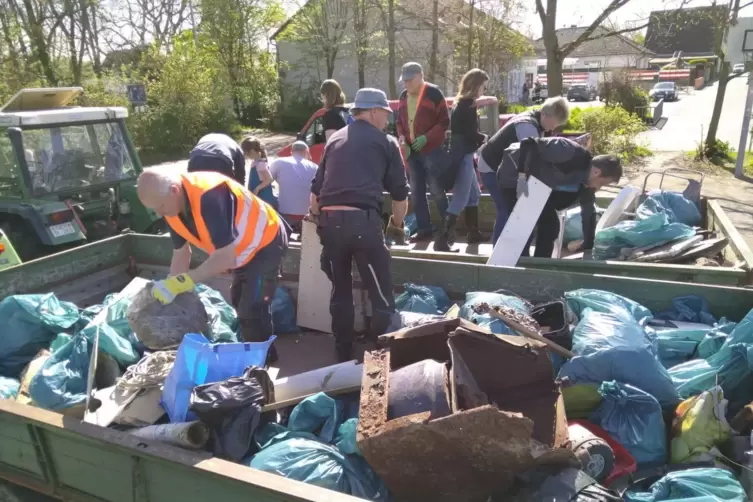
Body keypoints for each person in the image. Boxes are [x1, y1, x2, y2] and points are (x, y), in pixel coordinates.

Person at [136, 168, 287, 359]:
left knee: (252, 309)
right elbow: (181, 253)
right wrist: (171, 286)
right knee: (240, 300)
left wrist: (184, 281)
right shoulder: (171, 208)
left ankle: (263, 363)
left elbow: (225, 258)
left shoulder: (210, 196)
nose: (158, 213)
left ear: (174, 190)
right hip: (241, 250)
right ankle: (255, 355)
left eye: (160, 206)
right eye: (154, 209)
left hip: (266, 241)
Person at [310, 88, 409, 362]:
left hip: (330, 224)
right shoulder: (386, 142)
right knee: (380, 294)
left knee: (340, 290)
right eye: (385, 115)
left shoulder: (334, 140)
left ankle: (342, 351)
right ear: (374, 112)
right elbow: (400, 197)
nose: (387, 121)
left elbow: (314, 196)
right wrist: (396, 225)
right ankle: (382, 353)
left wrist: (320, 224)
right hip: (363, 224)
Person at [497, 136, 622, 258]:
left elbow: (588, 212)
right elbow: (527, 143)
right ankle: (519, 262)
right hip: (513, 174)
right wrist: (521, 176)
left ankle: (540, 263)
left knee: (551, 226)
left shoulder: (587, 184)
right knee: (523, 224)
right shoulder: (569, 151)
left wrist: (588, 244)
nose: (599, 188)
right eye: (602, 184)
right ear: (596, 172)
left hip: (537, 184)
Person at [477, 96, 570, 244]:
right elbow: (533, 159)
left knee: (508, 209)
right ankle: (498, 253)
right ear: (545, 115)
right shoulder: (527, 127)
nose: (553, 128)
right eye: (553, 124)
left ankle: (507, 249)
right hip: (491, 168)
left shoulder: (539, 121)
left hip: (505, 167)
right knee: (505, 209)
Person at [436, 68, 490, 252]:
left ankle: (473, 232)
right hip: (464, 154)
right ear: (476, 86)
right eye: (483, 86)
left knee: (474, 194)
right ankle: (442, 239)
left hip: (461, 152)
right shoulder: (469, 105)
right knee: (461, 197)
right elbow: (468, 132)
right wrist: (483, 138)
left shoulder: (461, 103)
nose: (484, 90)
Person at [396, 62, 450, 242]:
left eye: (409, 80)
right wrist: (402, 138)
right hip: (412, 152)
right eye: (404, 81)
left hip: (432, 150)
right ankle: (424, 229)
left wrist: (426, 138)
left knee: (437, 190)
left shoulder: (434, 93)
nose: (406, 85)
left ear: (420, 76)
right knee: (416, 192)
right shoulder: (403, 96)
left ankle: (447, 229)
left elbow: (444, 122)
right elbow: (399, 123)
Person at [269, 141, 318, 235]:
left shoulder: (279, 162)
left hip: (284, 213)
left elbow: (266, 182)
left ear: (291, 152)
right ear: (306, 152)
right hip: (307, 214)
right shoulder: (315, 167)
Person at [240, 136, 278, 210]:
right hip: (258, 198)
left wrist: (257, 189)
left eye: (246, 153)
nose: (246, 155)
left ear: (252, 151)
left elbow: (269, 179)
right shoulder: (255, 162)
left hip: (264, 198)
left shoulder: (260, 164)